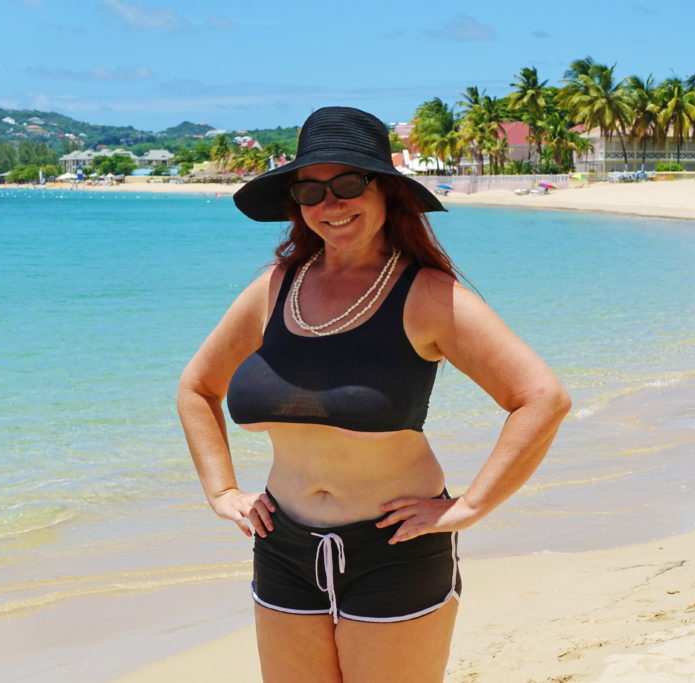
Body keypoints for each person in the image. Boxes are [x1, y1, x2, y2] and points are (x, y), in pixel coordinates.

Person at [177, 106, 571, 682]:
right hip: (282, 544)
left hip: (395, 547)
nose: (330, 205)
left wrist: (468, 508)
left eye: (348, 184)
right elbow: (196, 387)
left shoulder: (427, 294)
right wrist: (222, 492)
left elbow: (541, 398)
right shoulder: (274, 288)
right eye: (311, 191)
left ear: (385, 191)